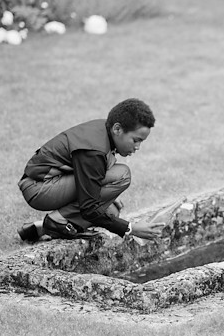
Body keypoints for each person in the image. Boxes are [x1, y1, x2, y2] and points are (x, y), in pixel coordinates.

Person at [16, 98, 164, 242]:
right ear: (117, 129)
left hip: (53, 184)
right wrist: (131, 228)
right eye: (136, 140)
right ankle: (57, 221)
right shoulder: (93, 150)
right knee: (122, 175)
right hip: (39, 188)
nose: (137, 147)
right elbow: (89, 208)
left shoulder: (105, 131)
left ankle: (40, 228)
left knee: (111, 210)